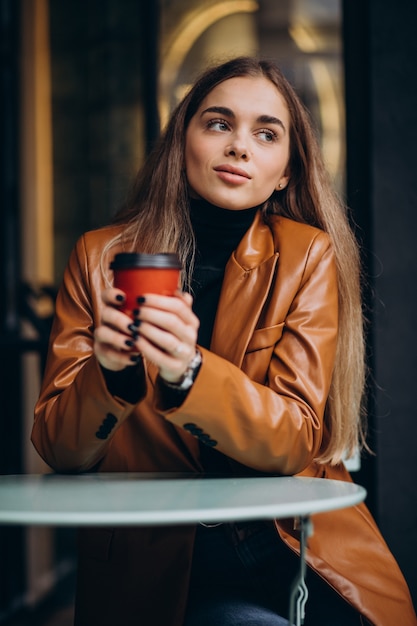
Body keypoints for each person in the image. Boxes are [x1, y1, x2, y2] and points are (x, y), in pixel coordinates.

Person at [32, 56, 416, 626]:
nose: (240, 146)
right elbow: (60, 450)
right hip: (159, 559)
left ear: (285, 170)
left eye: (266, 133)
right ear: (181, 142)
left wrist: (188, 372)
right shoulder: (99, 258)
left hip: (290, 545)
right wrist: (109, 376)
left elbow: (294, 441)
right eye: (218, 124)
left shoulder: (305, 255)